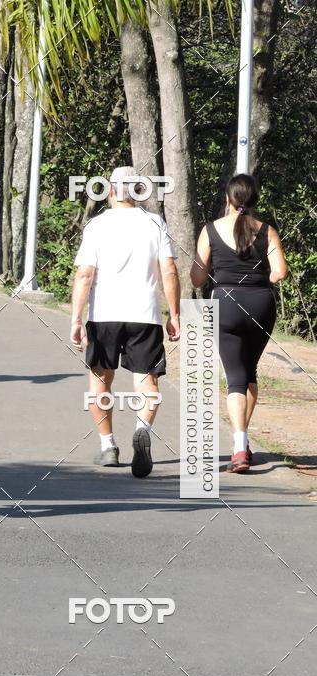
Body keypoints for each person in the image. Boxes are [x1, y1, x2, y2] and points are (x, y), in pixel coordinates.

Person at [71, 166, 180, 477]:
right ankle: (142, 429)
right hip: (144, 315)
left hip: (103, 314)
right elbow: (169, 271)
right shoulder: (154, 223)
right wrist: (174, 315)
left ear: (110, 192)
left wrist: (77, 319)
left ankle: (108, 446)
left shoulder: (96, 225)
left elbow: (85, 274)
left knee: (100, 380)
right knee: (147, 380)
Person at [191, 173, 288, 473]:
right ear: (254, 199)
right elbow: (280, 273)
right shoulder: (267, 231)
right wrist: (262, 280)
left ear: (227, 199)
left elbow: (196, 277)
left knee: (235, 376)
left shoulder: (210, 230)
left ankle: (238, 448)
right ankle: (242, 441)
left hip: (225, 304)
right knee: (250, 372)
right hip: (260, 304)